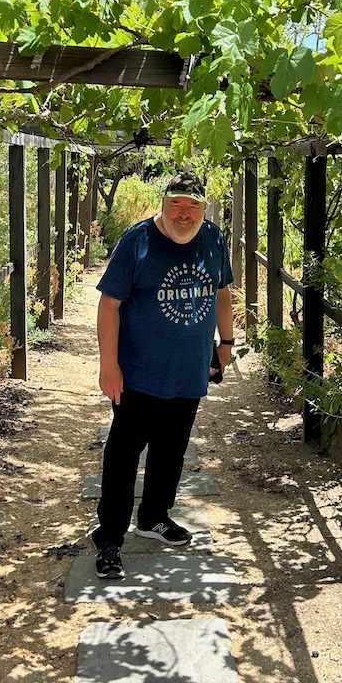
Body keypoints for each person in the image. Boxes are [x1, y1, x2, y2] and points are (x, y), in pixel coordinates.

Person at [92, 170, 235, 580]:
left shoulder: (213, 239)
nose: (184, 214)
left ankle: (153, 516)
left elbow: (222, 293)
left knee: (172, 449)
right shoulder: (137, 241)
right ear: (164, 204)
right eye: (176, 205)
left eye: (193, 206)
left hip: (189, 371)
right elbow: (109, 305)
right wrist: (108, 365)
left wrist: (226, 343)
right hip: (138, 373)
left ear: (203, 209)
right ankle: (110, 537)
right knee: (124, 454)